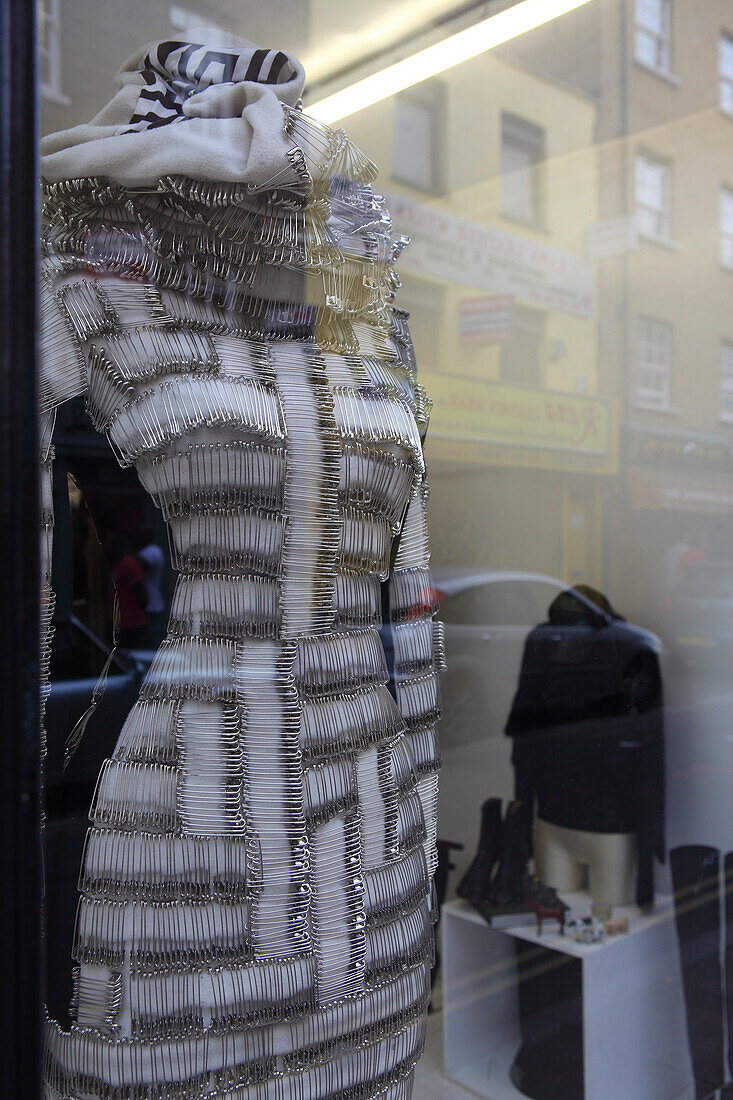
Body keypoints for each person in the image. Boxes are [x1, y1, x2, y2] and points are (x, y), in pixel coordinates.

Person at [103, 531, 147, 647]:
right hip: (120, 620)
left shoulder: (128, 564)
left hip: (129, 622)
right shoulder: (119, 564)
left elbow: (140, 593)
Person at [133, 525, 167, 646]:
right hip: (145, 604)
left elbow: (139, 565)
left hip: (152, 604)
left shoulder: (153, 550)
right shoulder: (145, 551)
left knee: (151, 640)